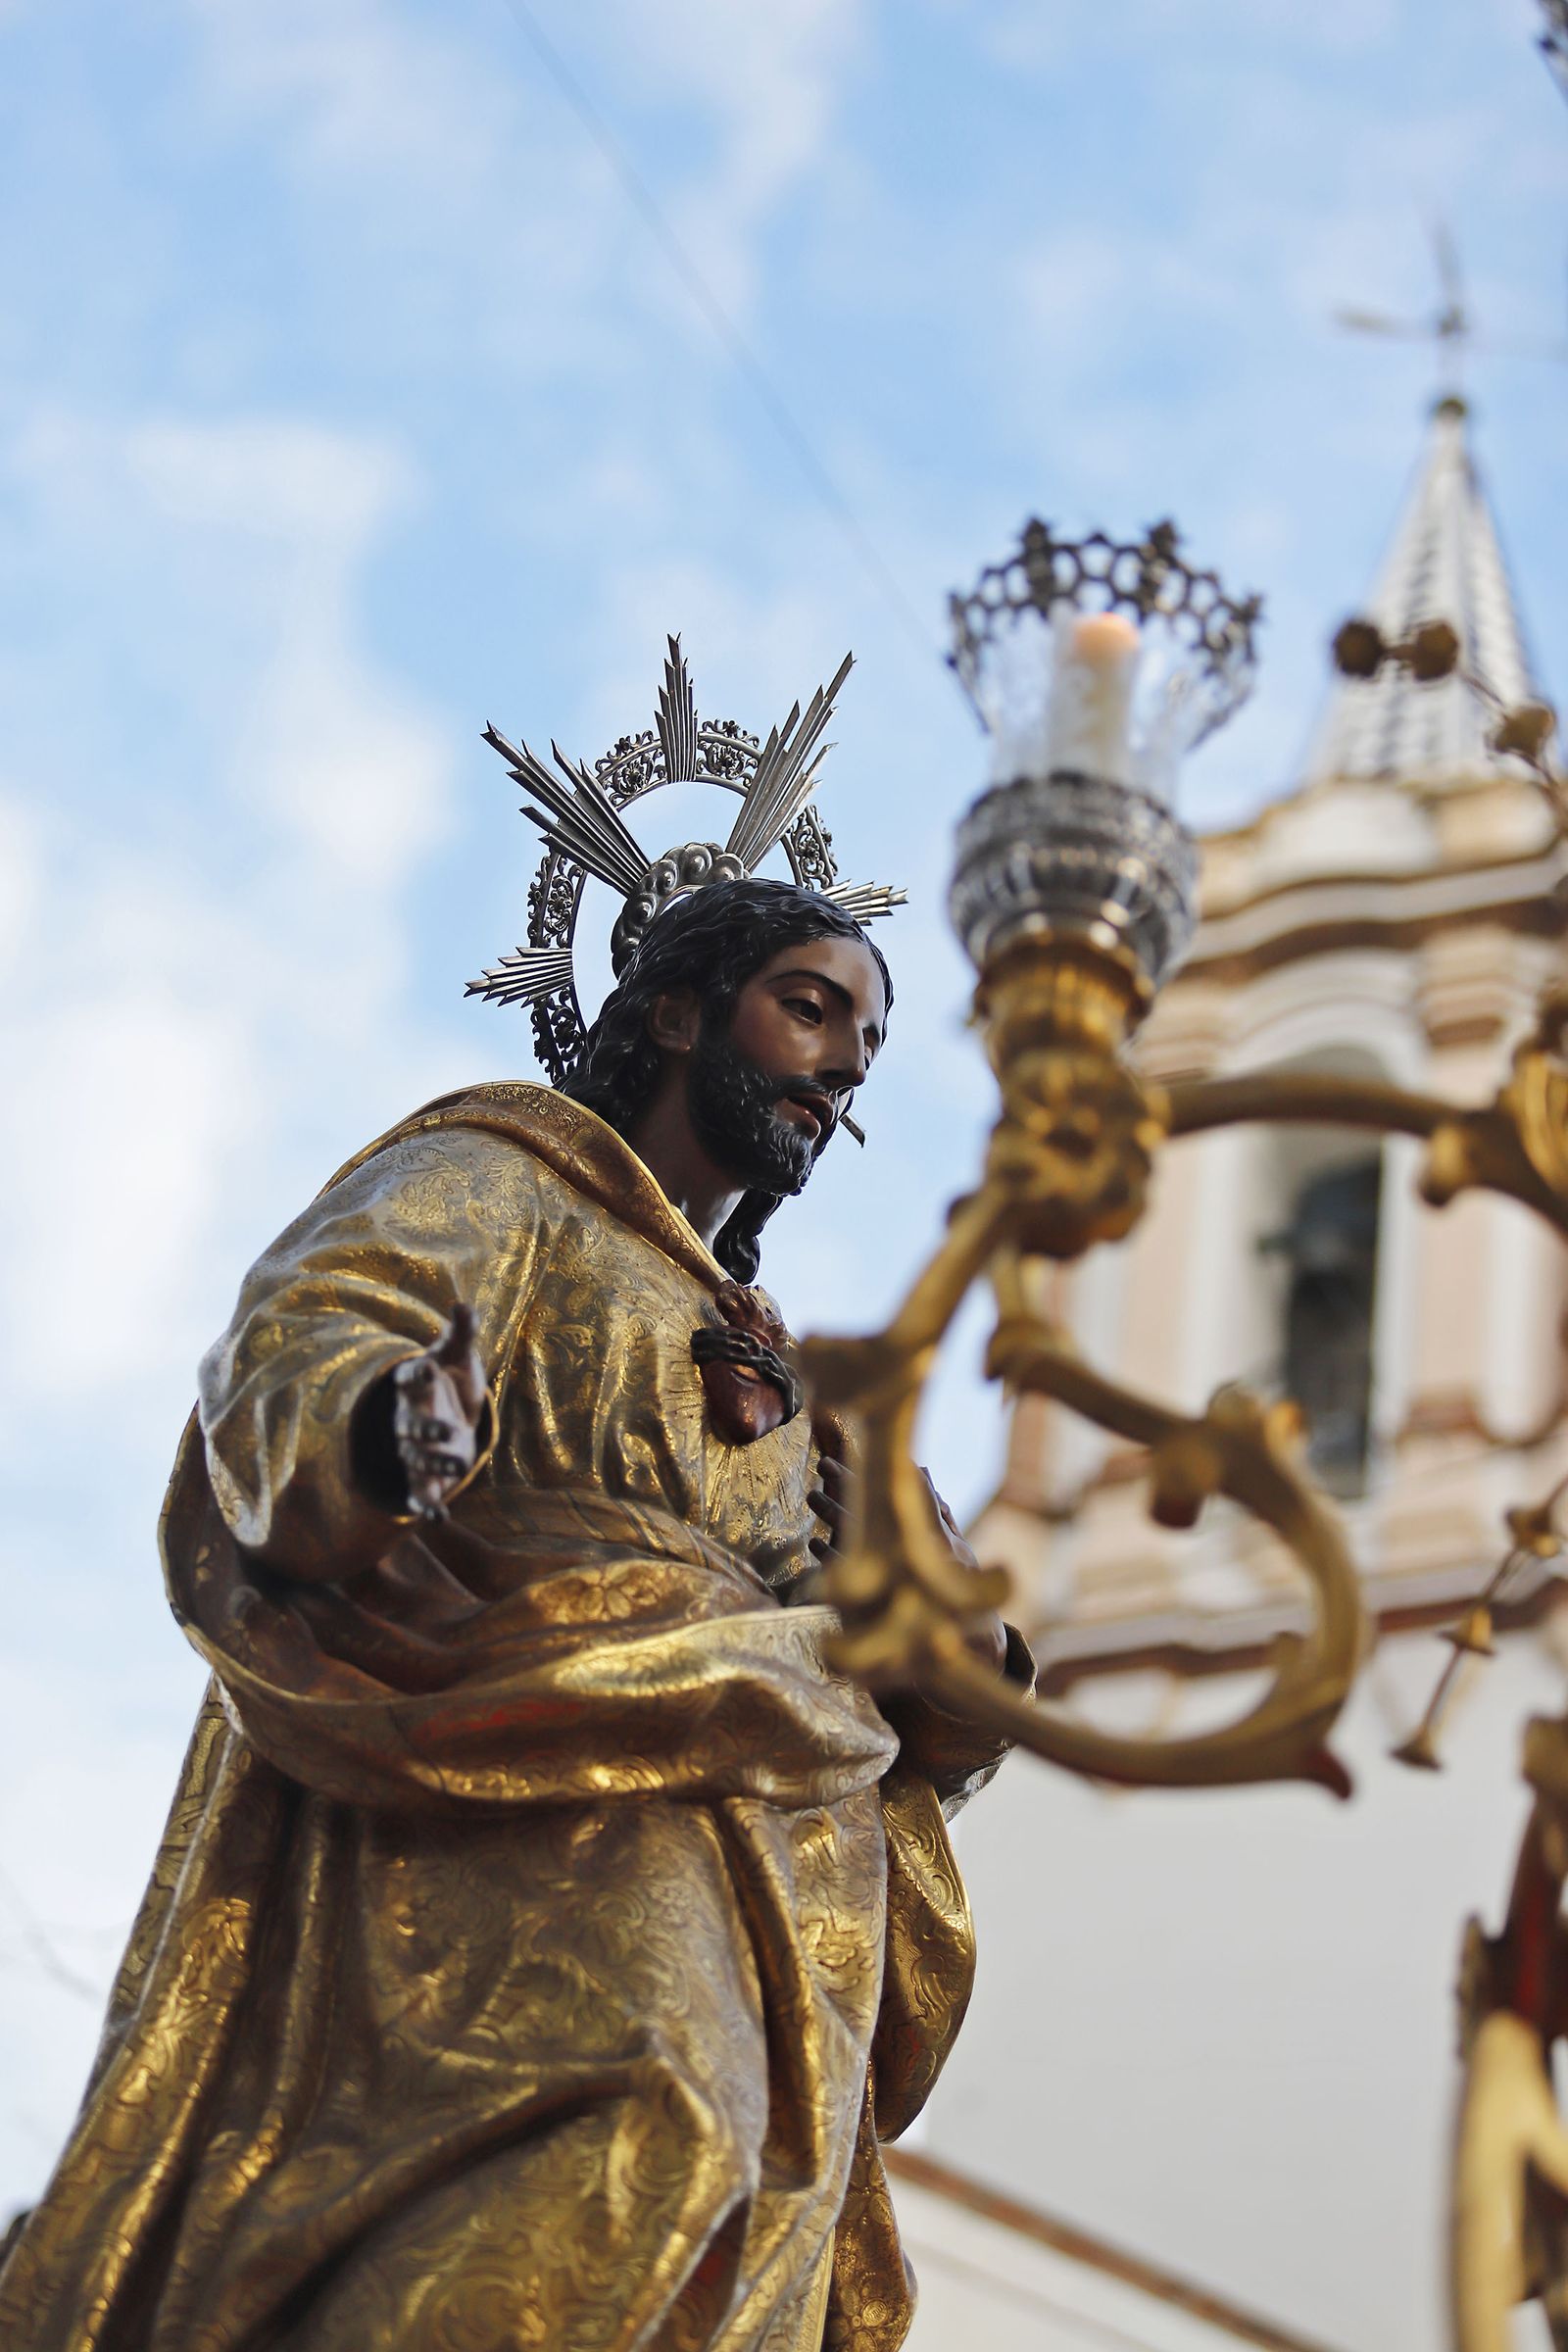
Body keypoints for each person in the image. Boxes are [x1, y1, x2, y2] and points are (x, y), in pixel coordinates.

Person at [1, 875, 1031, 2352]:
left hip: (784, 1865)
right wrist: (381, 1429)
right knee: (648, 2111)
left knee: (726, 2225)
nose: (845, 1062)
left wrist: (939, 1622)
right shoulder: (511, 1179)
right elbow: (320, 1327)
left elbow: (956, 1693)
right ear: (677, 1010)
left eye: (867, 1041)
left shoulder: (813, 1399)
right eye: (810, 1007)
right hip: (515, 1771)